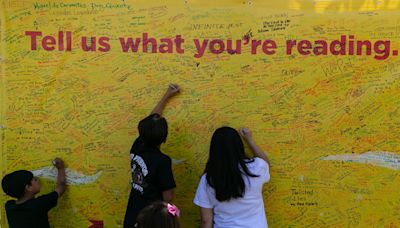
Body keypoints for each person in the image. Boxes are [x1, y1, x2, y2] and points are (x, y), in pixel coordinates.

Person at [124, 84, 180, 228]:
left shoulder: (137, 147)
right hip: (152, 219)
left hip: (132, 215)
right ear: (164, 139)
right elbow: (168, 197)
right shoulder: (162, 161)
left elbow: (150, 121)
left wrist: (166, 95)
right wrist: (173, 215)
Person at [193, 127, 271, 228]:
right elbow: (266, 163)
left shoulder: (208, 180)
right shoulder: (256, 168)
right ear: (239, 145)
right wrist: (249, 140)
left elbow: (206, 221)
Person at [1, 158, 67, 228]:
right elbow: (61, 187)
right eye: (34, 179)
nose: (38, 179)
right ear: (28, 187)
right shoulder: (38, 205)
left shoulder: (10, 206)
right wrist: (60, 168)